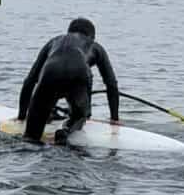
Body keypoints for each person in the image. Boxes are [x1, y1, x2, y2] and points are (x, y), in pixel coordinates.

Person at [18, 15, 121, 145]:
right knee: (80, 116)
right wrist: (114, 119)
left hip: (50, 71)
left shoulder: (54, 41)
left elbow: (30, 80)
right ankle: (66, 130)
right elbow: (111, 84)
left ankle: (35, 132)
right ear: (92, 37)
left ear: (69, 32)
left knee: (31, 137)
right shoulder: (95, 46)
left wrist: (22, 116)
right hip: (79, 73)